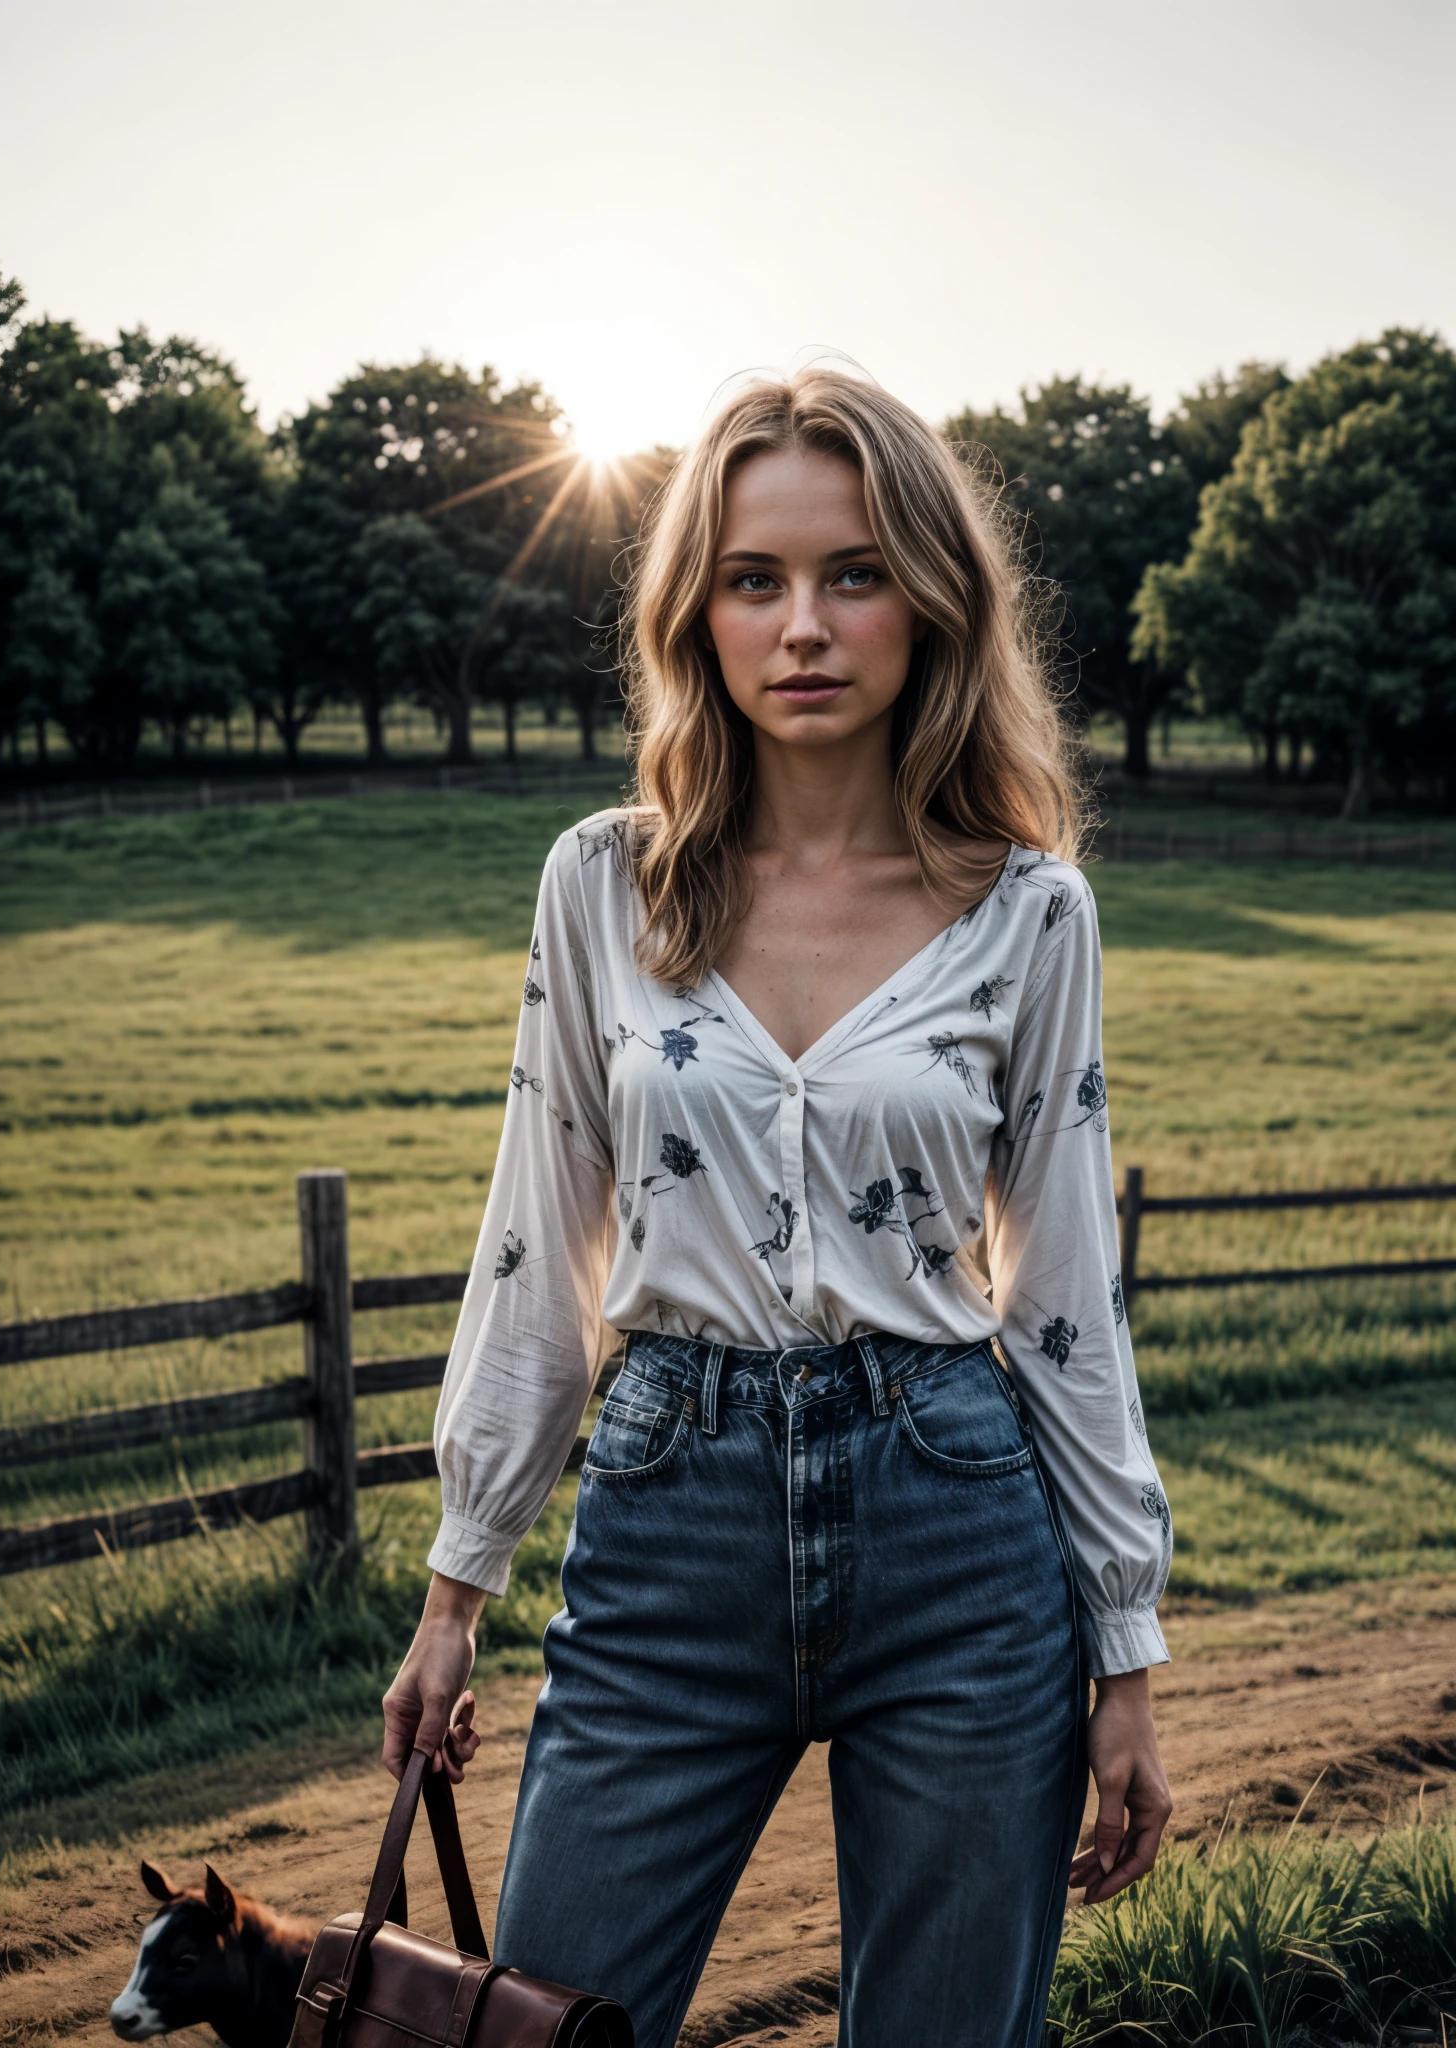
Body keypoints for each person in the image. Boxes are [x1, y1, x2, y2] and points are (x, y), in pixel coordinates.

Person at [382, 367, 1173, 2048]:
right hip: (670, 1521)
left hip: (961, 1524)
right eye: (757, 578)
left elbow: (1062, 1294)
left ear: (931, 605)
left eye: (854, 573)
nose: (803, 625)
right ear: (701, 614)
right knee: (544, 2025)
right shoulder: (603, 880)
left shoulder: (1032, 916)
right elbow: (539, 1246)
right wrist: (460, 1590)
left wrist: (1124, 1648)